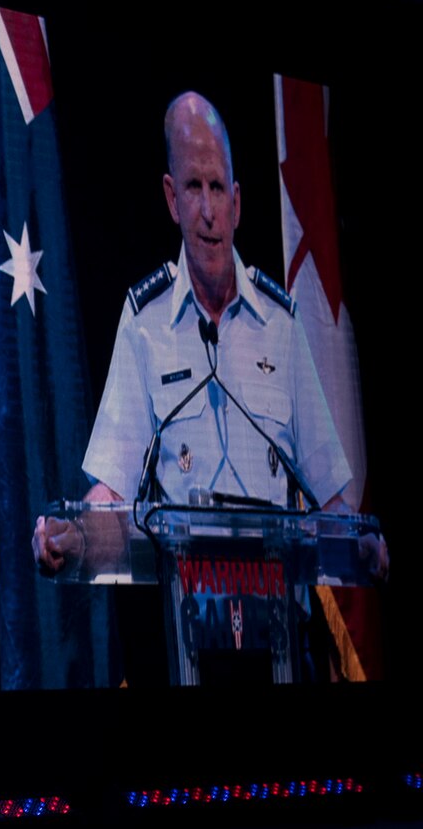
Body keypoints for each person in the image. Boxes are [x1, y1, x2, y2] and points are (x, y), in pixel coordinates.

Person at [33, 92, 383, 581]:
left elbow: (330, 499)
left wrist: (361, 541)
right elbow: (113, 495)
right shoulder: (145, 326)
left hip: (279, 625)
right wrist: (78, 537)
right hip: (190, 630)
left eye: (217, 188)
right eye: (193, 188)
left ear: (237, 204)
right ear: (172, 199)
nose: (208, 211)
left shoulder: (280, 325)